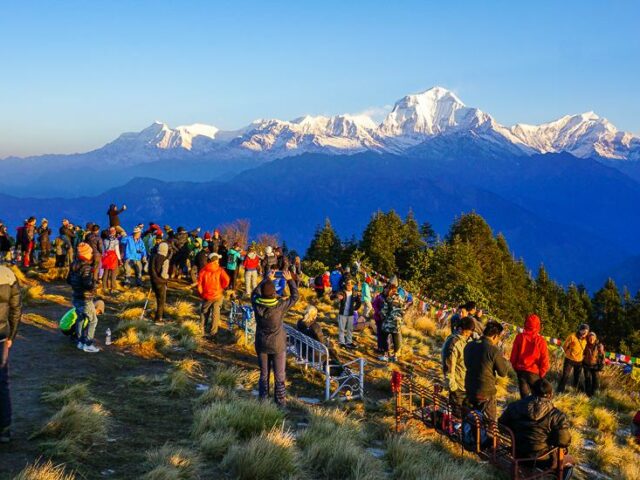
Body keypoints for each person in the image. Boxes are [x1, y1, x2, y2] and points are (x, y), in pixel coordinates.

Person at [499, 379, 573, 476]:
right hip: (542, 459)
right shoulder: (557, 415)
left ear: (532, 391)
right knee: (571, 460)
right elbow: (564, 441)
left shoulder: (514, 406)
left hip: (517, 453)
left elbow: (502, 425)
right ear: (550, 395)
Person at [252, 270, 299, 406]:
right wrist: (290, 281)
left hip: (262, 344)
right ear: (274, 293)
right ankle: (280, 401)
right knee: (279, 375)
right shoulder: (279, 307)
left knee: (264, 374)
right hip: (278, 345)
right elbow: (295, 297)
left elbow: (254, 293)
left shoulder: (257, 304)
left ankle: (263, 400)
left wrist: (266, 279)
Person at [464, 321, 510, 421]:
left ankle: (470, 436)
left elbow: (466, 363)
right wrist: (505, 360)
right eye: (499, 338)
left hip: (469, 387)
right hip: (485, 391)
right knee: (489, 424)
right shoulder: (493, 350)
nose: (498, 341)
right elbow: (503, 373)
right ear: (495, 336)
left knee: (471, 420)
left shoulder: (469, 345)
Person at [0, 263, 21, 443]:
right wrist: (11, 335)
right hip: (1, 336)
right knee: (2, 382)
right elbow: (16, 309)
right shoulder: (8, 274)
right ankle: (4, 429)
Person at [66, 243, 100, 353]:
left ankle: (80, 341)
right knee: (93, 320)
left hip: (76, 296)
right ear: (86, 254)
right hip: (86, 298)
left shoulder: (74, 264)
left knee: (80, 318)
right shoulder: (86, 268)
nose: (91, 254)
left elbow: (68, 280)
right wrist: (95, 283)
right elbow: (87, 284)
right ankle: (88, 344)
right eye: (90, 252)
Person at [510, 314, 550, 398]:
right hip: (534, 373)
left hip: (521, 371)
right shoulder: (541, 341)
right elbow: (545, 361)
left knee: (524, 399)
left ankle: (524, 410)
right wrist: (541, 374)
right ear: (538, 325)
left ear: (526, 323)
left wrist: (516, 368)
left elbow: (513, 356)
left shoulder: (519, 337)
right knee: (536, 399)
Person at [442, 316, 475, 416]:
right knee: (457, 417)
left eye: (469, 334)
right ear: (460, 329)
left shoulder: (468, 341)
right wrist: (453, 387)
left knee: (467, 416)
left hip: (468, 386)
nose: (468, 336)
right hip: (457, 387)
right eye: (466, 333)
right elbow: (448, 365)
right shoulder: (453, 342)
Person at [197, 253, 230, 337]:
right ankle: (213, 332)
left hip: (207, 295)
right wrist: (222, 287)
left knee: (204, 311)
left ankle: (201, 328)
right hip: (218, 294)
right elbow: (227, 280)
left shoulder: (203, 270)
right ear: (216, 260)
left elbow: (199, 284)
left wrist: (202, 293)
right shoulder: (220, 270)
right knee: (216, 313)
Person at [380, 277, 407, 362]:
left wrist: (382, 316)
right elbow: (403, 311)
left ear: (391, 288)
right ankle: (395, 356)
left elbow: (384, 310)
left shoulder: (389, 298)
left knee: (384, 336)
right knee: (396, 338)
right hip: (397, 322)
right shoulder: (401, 298)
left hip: (388, 321)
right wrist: (400, 318)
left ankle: (386, 355)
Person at [557, 324, 589, 393]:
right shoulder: (572, 336)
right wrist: (560, 355)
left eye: (586, 332)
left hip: (579, 361)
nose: (585, 333)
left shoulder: (586, 339)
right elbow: (564, 346)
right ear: (580, 330)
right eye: (584, 331)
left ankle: (574, 391)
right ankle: (560, 391)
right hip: (569, 359)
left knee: (577, 378)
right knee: (565, 376)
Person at [333, 279, 361, 349]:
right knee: (341, 329)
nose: (348, 285)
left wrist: (355, 308)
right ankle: (341, 342)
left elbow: (359, 302)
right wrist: (337, 296)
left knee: (350, 329)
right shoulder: (342, 291)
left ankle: (349, 342)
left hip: (351, 314)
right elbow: (332, 296)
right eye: (347, 284)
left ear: (352, 285)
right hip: (342, 313)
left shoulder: (354, 292)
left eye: (349, 284)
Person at [150, 242, 170, 323]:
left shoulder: (152, 256)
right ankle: (159, 318)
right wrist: (167, 277)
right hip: (160, 282)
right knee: (162, 300)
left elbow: (145, 268)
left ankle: (161, 313)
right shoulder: (165, 259)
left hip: (153, 280)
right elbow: (164, 274)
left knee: (157, 298)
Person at [582, 332, 605, 397]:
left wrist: (601, 365)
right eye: (590, 338)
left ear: (595, 338)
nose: (591, 339)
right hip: (586, 364)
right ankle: (587, 393)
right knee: (587, 379)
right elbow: (583, 353)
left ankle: (594, 393)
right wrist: (581, 362)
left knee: (596, 380)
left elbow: (602, 355)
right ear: (588, 338)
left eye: (593, 338)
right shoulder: (585, 344)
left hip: (595, 365)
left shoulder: (599, 345)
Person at [102, 227, 121, 292]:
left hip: (106, 256)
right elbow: (117, 251)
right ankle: (113, 288)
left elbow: (103, 250)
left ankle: (104, 287)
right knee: (113, 272)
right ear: (114, 232)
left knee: (106, 272)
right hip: (113, 257)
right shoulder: (116, 240)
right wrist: (119, 259)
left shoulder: (104, 240)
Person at [372, 285, 389, 354]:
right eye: (386, 289)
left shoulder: (391, 298)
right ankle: (380, 348)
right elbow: (374, 304)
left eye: (388, 289)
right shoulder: (379, 297)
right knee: (379, 333)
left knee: (385, 335)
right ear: (384, 289)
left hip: (387, 319)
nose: (387, 290)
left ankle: (385, 349)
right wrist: (378, 312)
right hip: (379, 318)